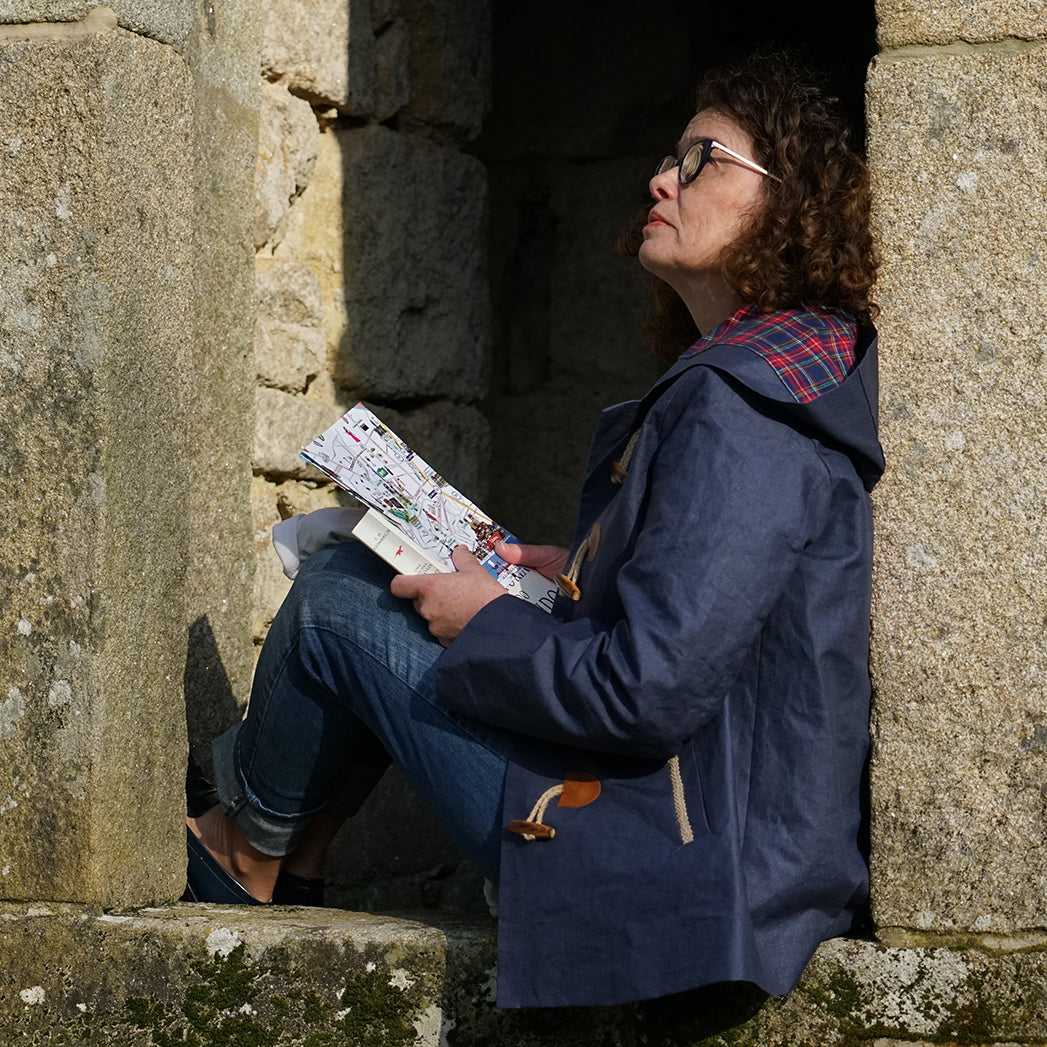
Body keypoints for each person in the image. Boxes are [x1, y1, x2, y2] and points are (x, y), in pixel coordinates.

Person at [185, 54, 883, 1011]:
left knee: (338, 600)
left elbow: (645, 691)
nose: (659, 178)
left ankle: (243, 850)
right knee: (360, 568)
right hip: (716, 864)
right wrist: (580, 576)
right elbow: (707, 625)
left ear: (784, 205)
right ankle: (286, 855)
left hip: (681, 885)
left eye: (699, 159)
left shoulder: (743, 410)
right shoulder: (768, 382)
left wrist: (487, 621)